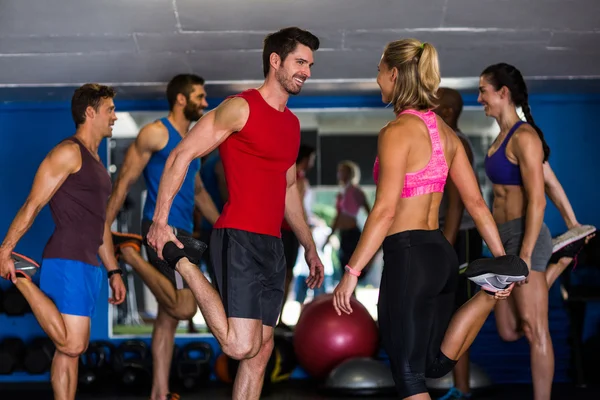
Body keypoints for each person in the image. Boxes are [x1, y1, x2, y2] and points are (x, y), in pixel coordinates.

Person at [331, 39, 529, 400]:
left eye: (379, 72)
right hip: (439, 254)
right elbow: (476, 204)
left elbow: (385, 210)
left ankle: (490, 285)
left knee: (408, 375)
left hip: (408, 255)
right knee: (434, 365)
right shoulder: (446, 133)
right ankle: (488, 291)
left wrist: (352, 272)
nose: (377, 80)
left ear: (393, 73)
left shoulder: (395, 133)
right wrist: (504, 259)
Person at [146, 27, 325, 400]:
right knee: (240, 347)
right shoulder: (240, 107)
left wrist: (308, 244)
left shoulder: (291, 125)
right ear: (275, 61)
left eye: (310, 64)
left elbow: (288, 187)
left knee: (260, 352)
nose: (307, 71)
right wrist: (161, 221)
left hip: (273, 245)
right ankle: (183, 261)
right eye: (300, 62)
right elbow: (182, 155)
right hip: (238, 238)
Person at [0, 84, 126, 400]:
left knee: (69, 352)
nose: (114, 116)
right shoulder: (69, 152)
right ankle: (22, 278)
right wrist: (5, 248)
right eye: (109, 109)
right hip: (67, 257)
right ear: (90, 112)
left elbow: (101, 226)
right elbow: (34, 203)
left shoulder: (97, 164)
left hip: (89, 264)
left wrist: (113, 271)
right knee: (73, 344)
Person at [479, 63, 596, 400]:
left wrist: (528, 254)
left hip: (525, 236)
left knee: (535, 328)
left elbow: (539, 199)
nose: (479, 97)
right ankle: (560, 261)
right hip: (502, 240)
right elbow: (552, 178)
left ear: (503, 93)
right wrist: (573, 222)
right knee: (507, 330)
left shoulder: (525, 136)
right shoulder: (503, 137)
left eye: (484, 90)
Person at [100, 74, 220, 400]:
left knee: (167, 319)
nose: (205, 103)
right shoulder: (156, 133)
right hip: (161, 230)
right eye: (200, 96)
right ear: (181, 99)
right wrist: (105, 228)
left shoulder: (194, 141)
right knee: (184, 308)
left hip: (184, 233)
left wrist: (224, 225)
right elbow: (124, 180)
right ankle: (130, 254)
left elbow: (198, 192)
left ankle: (160, 392)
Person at [434, 87, 482, 400]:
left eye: (432, 104)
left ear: (448, 112)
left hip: (459, 238)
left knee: (458, 313)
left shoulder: (456, 141)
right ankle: (458, 387)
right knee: (448, 312)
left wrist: (444, 249)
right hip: (448, 236)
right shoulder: (441, 140)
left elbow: (456, 204)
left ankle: (461, 390)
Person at [280, 144, 316, 326]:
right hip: (287, 231)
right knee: (284, 276)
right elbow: (297, 209)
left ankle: (277, 319)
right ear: (306, 158)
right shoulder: (297, 179)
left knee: (284, 276)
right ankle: (276, 320)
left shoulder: (296, 177)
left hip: (286, 231)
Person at [325, 160, 371, 280]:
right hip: (343, 234)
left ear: (350, 173)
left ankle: (352, 296)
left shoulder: (356, 191)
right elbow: (338, 216)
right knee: (343, 268)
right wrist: (330, 235)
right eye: (339, 172)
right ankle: (349, 297)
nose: (340, 174)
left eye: (343, 171)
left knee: (351, 269)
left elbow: (370, 213)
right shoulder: (341, 193)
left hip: (353, 233)